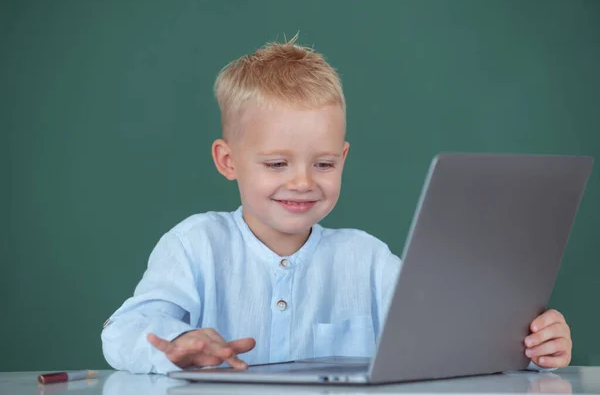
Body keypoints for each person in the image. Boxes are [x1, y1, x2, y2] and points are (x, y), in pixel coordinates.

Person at [101, 36, 572, 374]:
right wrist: (178, 344)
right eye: (277, 163)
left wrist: (530, 349)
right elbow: (124, 331)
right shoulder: (194, 245)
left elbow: (448, 341)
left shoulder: (365, 259)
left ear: (343, 158)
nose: (302, 182)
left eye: (323, 164)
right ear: (228, 161)